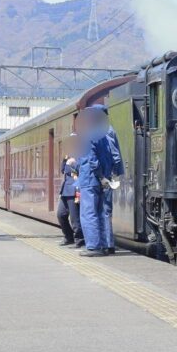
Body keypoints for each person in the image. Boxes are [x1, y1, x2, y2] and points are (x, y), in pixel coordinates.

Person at [77, 107, 115, 257]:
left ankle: (93, 246)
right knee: (102, 212)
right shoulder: (104, 134)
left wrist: (99, 176)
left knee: (88, 213)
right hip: (102, 178)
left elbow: (91, 160)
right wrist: (105, 177)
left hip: (90, 179)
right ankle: (106, 244)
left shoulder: (88, 135)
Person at [92, 104, 125, 255]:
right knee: (103, 210)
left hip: (104, 175)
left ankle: (107, 244)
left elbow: (115, 154)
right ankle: (105, 242)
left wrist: (113, 173)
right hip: (105, 174)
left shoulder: (105, 130)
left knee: (103, 210)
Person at [56, 155, 81, 247]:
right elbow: (63, 170)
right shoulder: (69, 156)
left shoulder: (80, 155)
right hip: (65, 190)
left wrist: (73, 163)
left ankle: (80, 239)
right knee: (61, 215)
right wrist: (65, 160)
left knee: (75, 219)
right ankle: (68, 236)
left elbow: (79, 170)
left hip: (74, 190)